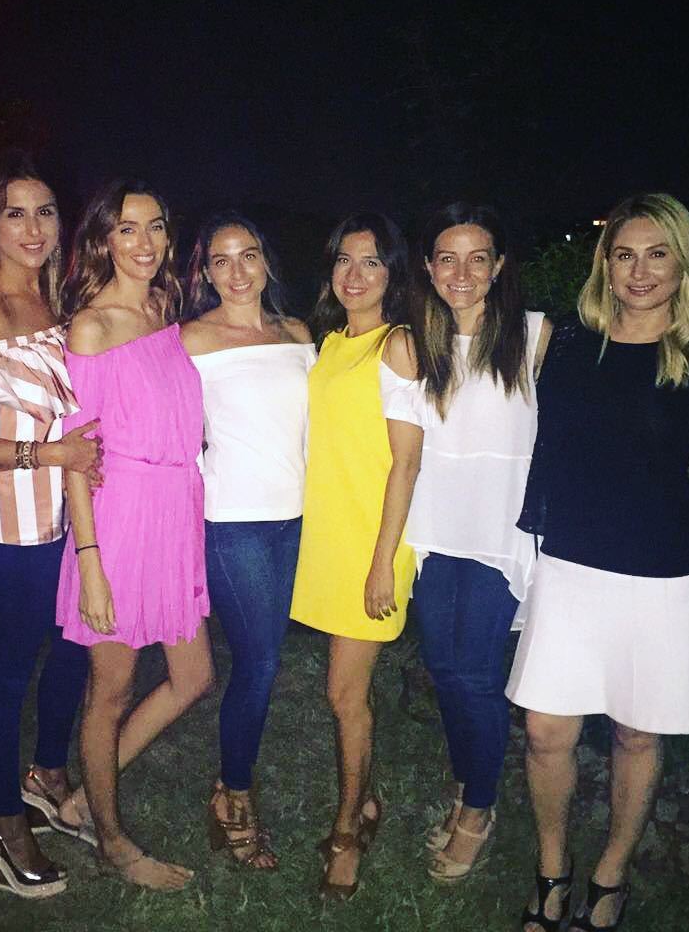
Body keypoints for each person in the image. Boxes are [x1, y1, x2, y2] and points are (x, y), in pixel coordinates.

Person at [507, 193, 689, 932]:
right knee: (547, 730)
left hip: (663, 573)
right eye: (624, 254)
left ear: (683, 264)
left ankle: (611, 876)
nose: (640, 271)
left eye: (657, 254)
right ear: (604, 262)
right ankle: (552, 871)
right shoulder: (566, 343)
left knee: (637, 732)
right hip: (570, 563)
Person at [0, 151, 102, 898]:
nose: (33, 228)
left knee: (74, 645)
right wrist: (50, 453)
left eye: (45, 212)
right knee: (8, 670)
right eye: (15, 213)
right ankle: (4, 820)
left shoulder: (59, 309)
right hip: (9, 530)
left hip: (66, 521)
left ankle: (48, 774)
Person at [379, 203, 550, 884]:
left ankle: (478, 809)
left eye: (478, 258)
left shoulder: (535, 337)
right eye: (447, 258)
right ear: (427, 267)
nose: (462, 272)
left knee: (474, 675)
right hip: (433, 533)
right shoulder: (414, 344)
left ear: (498, 266)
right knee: (445, 669)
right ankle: (469, 780)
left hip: (499, 535)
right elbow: (403, 457)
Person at [55, 179, 214, 891]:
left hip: (174, 512)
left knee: (193, 677)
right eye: (127, 228)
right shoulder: (91, 327)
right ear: (102, 240)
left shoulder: (163, 310)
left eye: (155, 226)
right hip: (117, 520)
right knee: (111, 689)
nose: (144, 242)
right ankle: (112, 840)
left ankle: (83, 800)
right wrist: (90, 564)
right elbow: (77, 454)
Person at [181, 213, 315, 869]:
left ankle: (231, 783)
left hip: (296, 518)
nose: (237, 271)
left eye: (248, 255)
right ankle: (233, 793)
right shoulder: (192, 339)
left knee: (266, 658)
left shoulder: (298, 334)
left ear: (266, 261)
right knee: (258, 663)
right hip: (232, 520)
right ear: (205, 272)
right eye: (221, 260)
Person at [289, 212, 416, 900]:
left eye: (371, 262)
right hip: (330, 539)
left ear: (393, 274)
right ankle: (364, 801)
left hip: (373, 542)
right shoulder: (333, 342)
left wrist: (381, 562)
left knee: (344, 695)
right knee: (345, 692)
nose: (355, 274)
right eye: (344, 259)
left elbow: (406, 463)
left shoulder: (397, 345)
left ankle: (346, 833)